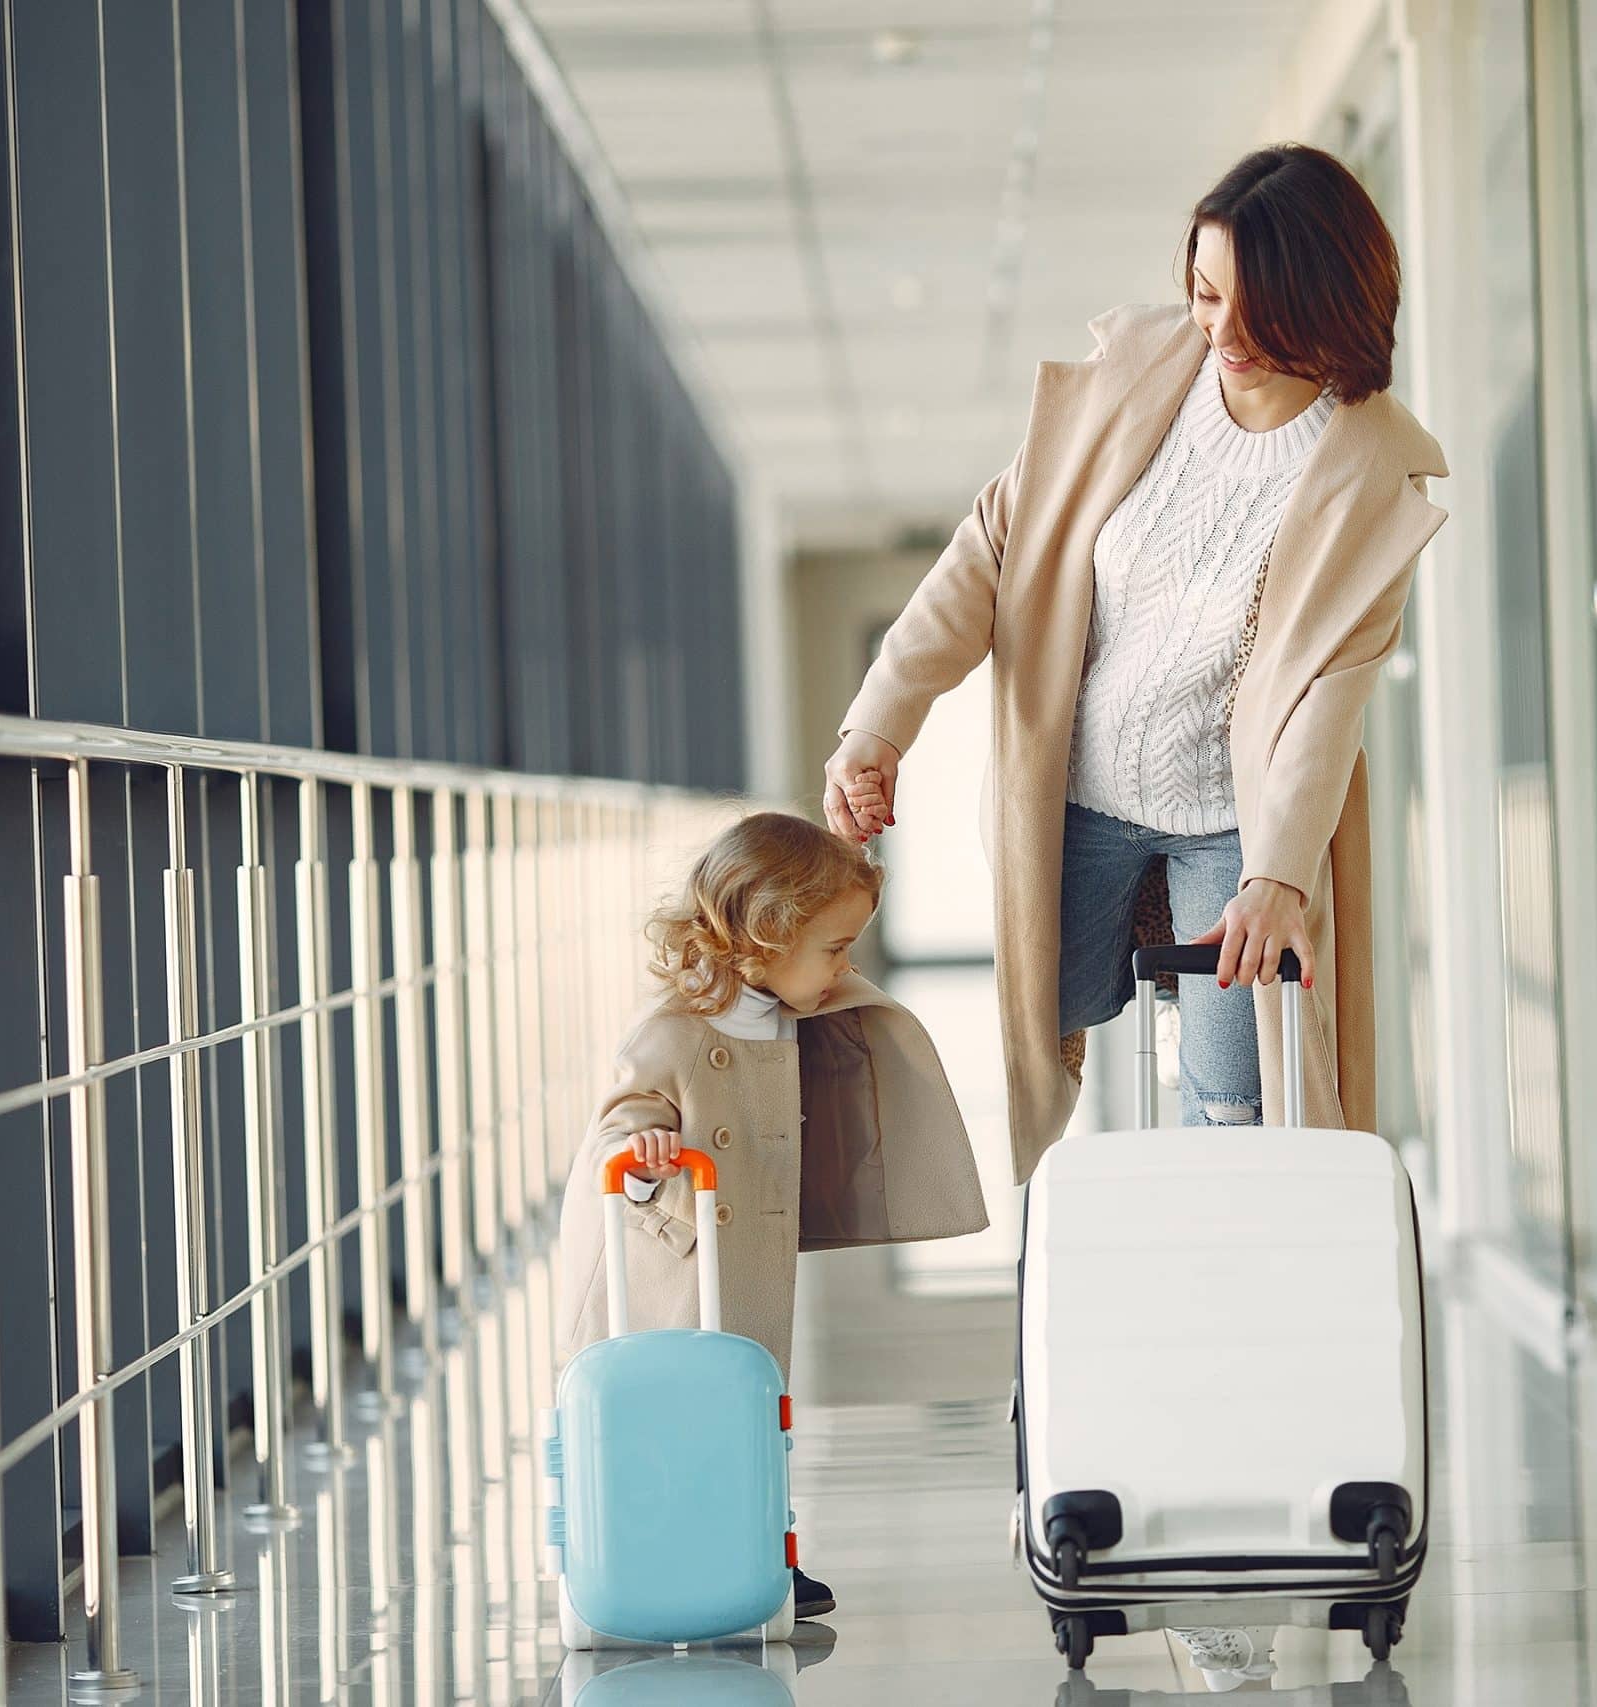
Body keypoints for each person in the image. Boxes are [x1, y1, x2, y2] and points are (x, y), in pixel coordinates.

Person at [823, 142, 1450, 1691]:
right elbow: (987, 559)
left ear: (1325, 304)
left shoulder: (1368, 467)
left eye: (1248, 304)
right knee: (1055, 1076)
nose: (1216, 327)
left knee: (1238, 1108)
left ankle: (1233, 1436)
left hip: (1235, 820)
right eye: (1201, 288)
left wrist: (1281, 870)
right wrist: (876, 727)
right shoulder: (1137, 380)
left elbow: (1322, 704)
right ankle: (1089, 1390)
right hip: (1089, 797)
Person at [553, 812, 989, 1620]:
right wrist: (645, 1154)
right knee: (686, 1418)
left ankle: (759, 1551)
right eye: (832, 947)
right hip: (678, 1274)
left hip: (747, 1261)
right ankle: (660, 1557)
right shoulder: (675, 1031)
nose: (845, 965)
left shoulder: (786, 1012)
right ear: (762, 937)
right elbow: (623, 1117)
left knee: (756, 1412)